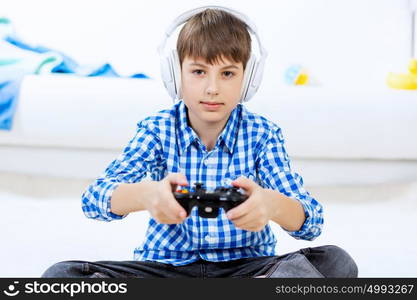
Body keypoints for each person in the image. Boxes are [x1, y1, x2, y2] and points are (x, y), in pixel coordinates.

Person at [42, 6, 357, 278]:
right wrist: (146, 195)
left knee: (337, 262)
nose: (212, 88)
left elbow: (310, 222)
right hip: (165, 269)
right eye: (198, 71)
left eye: (228, 74)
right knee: (61, 276)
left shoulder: (263, 134)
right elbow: (94, 199)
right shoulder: (157, 129)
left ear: (249, 79)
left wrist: (271, 204)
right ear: (175, 75)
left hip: (248, 268)